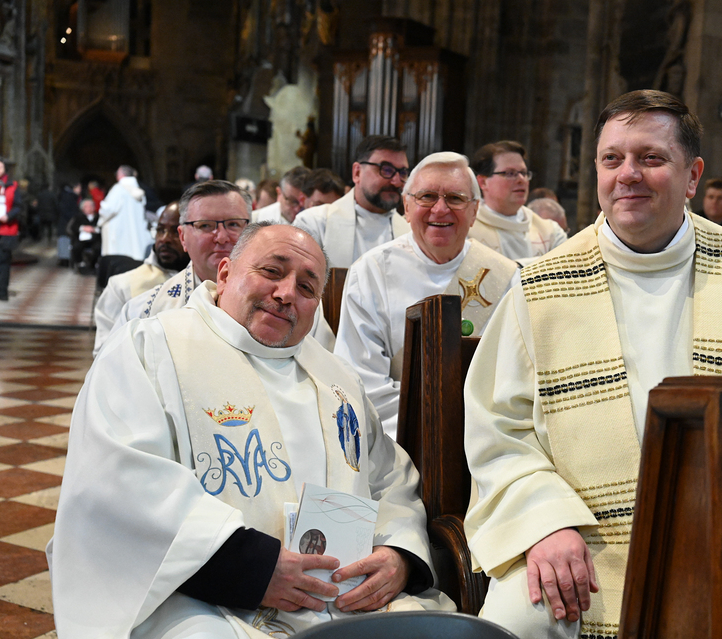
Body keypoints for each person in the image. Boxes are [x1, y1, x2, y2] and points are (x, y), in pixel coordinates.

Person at [464, 90, 722, 639]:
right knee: (511, 630)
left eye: (651, 158)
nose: (628, 175)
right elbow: (497, 429)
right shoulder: (539, 286)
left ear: (693, 176)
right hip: (576, 540)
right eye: (611, 159)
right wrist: (544, 522)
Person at [52, 223, 453, 639]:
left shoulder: (337, 379)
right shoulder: (148, 348)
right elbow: (119, 482)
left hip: (344, 597)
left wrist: (398, 557)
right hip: (202, 600)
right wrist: (253, 569)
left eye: (306, 287)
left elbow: (390, 479)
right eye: (271, 271)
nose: (286, 293)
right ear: (224, 274)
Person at [334, 152, 519, 440]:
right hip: (397, 439)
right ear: (407, 207)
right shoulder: (371, 273)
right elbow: (361, 381)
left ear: (474, 211)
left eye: (456, 198)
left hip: (487, 437)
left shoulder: (505, 278)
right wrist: (430, 435)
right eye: (427, 197)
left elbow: (514, 377)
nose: (440, 209)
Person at [108, 181, 335, 353]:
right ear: (183, 237)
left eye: (233, 224)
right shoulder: (143, 311)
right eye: (205, 226)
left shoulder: (294, 306)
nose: (222, 237)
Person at [294, 136, 410, 268]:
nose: (396, 181)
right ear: (357, 172)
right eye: (386, 169)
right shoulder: (314, 223)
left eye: (402, 173)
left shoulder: (412, 233)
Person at [93, 202, 190, 354]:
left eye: (175, 232)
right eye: (160, 230)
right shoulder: (121, 286)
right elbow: (105, 352)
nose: (165, 239)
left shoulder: (211, 283)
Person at [469, 141, 567, 263]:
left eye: (524, 173)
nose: (521, 180)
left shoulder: (550, 232)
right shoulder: (466, 231)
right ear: (483, 182)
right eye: (510, 173)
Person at [98, 165, 153, 262]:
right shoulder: (138, 189)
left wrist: (101, 216)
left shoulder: (118, 188)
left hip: (118, 231)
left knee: (119, 257)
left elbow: (108, 209)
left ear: (121, 174)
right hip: (135, 230)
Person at [0, 157, 22, 301]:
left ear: (5, 170)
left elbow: (18, 206)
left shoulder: (13, 186)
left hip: (6, 229)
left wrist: (8, 216)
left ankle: (2, 291)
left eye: (0, 167)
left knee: (3, 262)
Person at [67, 198, 101, 273]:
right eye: (86, 206)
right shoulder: (78, 217)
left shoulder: (98, 217)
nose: (89, 208)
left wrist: (93, 229)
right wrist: (83, 228)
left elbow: (102, 228)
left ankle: (94, 264)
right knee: (76, 247)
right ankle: (80, 264)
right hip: (81, 239)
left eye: (90, 206)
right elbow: (73, 227)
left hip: (95, 239)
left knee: (98, 248)